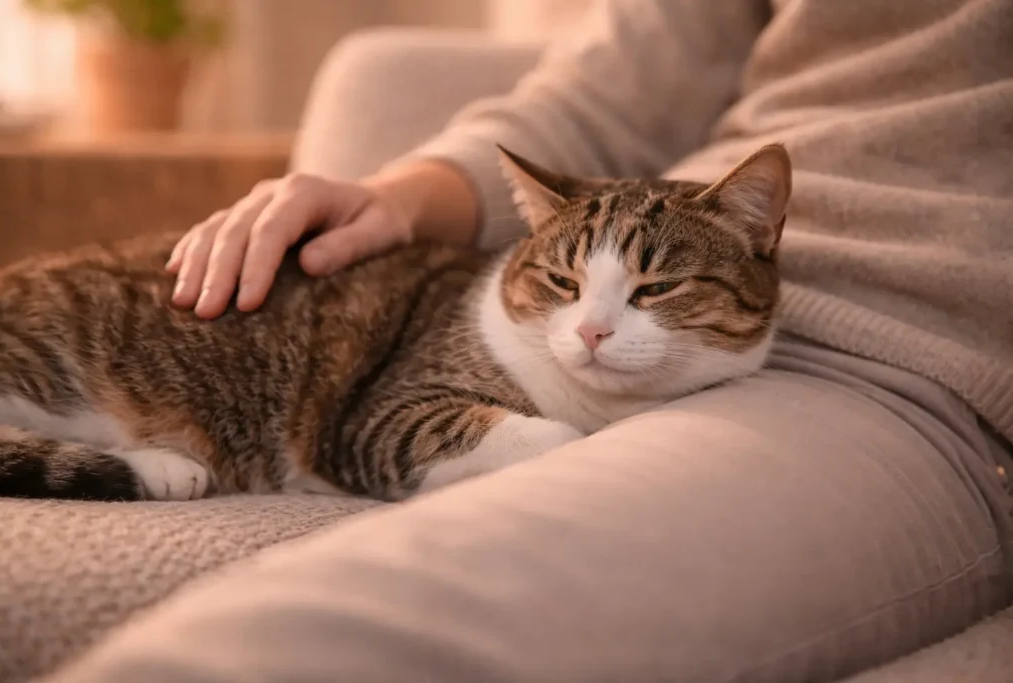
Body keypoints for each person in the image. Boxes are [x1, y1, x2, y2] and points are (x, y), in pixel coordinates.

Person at [64, 1, 1013, 681]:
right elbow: (623, 80)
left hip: (911, 361)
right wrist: (395, 196)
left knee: (336, 638)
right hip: (693, 240)